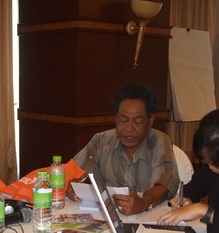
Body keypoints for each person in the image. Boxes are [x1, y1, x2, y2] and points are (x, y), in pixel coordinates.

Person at [68, 84, 180, 215]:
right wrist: (72, 185)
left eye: (137, 122)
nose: (129, 128)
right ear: (115, 118)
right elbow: (74, 171)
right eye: (123, 120)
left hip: (146, 217)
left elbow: (163, 185)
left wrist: (143, 203)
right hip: (108, 217)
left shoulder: (159, 141)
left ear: (150, 121)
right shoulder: (101, 141)